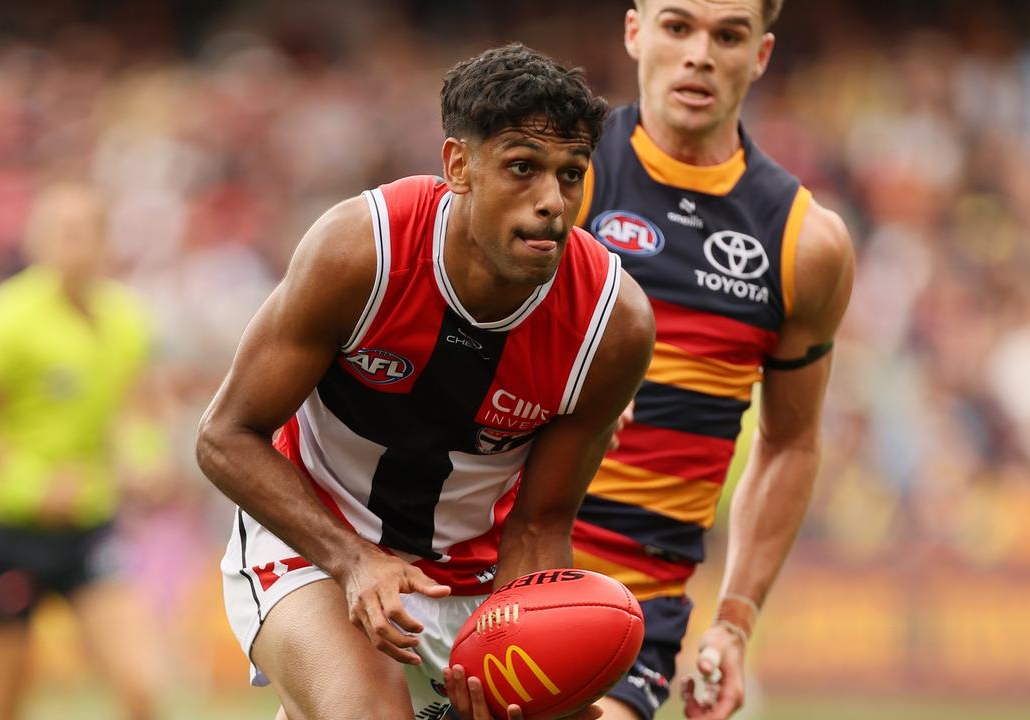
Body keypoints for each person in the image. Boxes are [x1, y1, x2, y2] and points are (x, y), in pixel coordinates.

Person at [195, 43, 656, 720]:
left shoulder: (611, 324)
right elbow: (224, 437)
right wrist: (353, 561)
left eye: (571, 175)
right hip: (316, 547)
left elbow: (541, 523)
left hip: (474, 577)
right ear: (458, 165)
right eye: (524, 169)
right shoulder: (361, 252)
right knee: (370, 712)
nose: (552, 202)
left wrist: (519, 655)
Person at [569, 2, 857, 719]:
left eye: (727, 35)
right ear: (635, 31)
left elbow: (791, 442)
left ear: (759, 56)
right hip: (481, 564)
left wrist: (734, 621)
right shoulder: (559, 172)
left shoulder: (803, 243)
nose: (700, 54)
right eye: (678, 27)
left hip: (629, 615)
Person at [0, 183, 157, 720]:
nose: (74, 243)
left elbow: (136, 411)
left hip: (90, 527)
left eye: (85, 230)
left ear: (104, 240)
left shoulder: (124, 318)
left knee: (140, 685)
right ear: (36, 241)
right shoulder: (5, 317)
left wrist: (144, 458)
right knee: (1, 705)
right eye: (61, 231)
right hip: (12, 531)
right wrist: (35, 486)